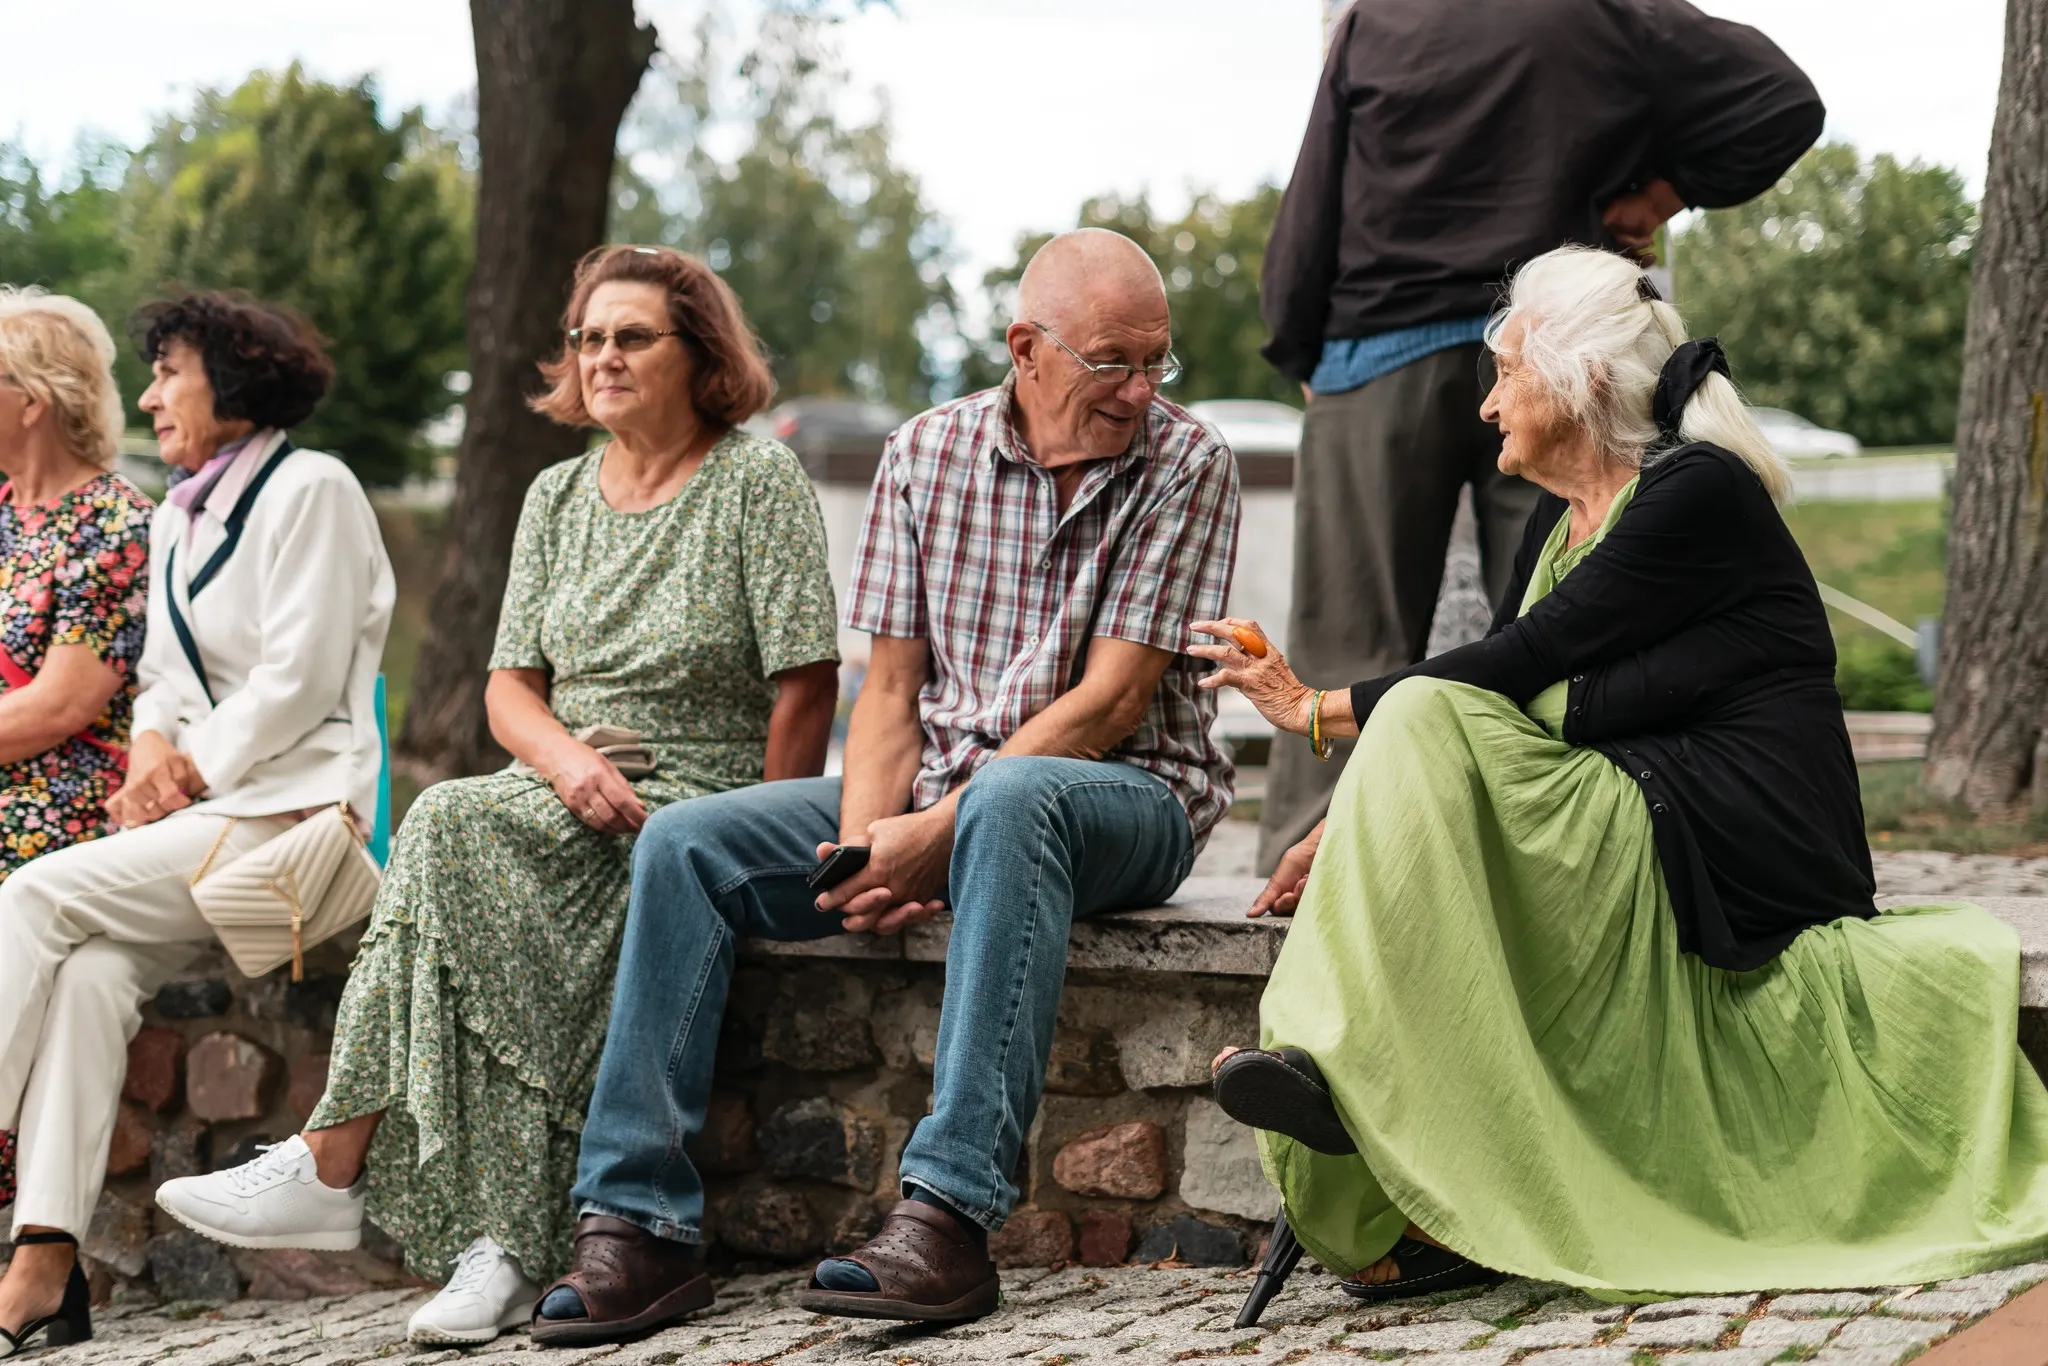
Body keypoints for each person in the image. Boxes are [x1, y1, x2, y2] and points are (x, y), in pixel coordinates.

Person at [1193, 245, 2048, 1301]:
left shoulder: (1695, 493)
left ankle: (1342, 1067)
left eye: (1504, 372)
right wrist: (1343, 827)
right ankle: (1338, 1075)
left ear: (1579, 381)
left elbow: (1517, 664)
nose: (1487, 405)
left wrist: (1306, 708)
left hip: (1732, 847)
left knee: (1420, 704)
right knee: (1427, 728)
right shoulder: (1557, 528)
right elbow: (1488, 711)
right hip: (1635, 818)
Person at [500, 228, 1238, 1343]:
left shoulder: (1188, 461)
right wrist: (863, 854)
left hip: (1125, 798)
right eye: (1111, 363)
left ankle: (946, 1215)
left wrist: (928, 834)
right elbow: (888, 692)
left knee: (1010, 800)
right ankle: (638, 1222)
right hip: (942, 788)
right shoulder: (922, 454)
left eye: (1155, 363)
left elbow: (1109, 703)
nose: (1140, 390)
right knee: (685, 845)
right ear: (1025, 348)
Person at [156, 245, 842, 1346]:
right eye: (587, 339)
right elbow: (508, 689)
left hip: (698, 797)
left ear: (698, 354)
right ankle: (492, 1243)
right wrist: (567, 760)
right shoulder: (555, 495)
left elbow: (805, 680)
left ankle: (373, 1182)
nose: (601, 357)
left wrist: (754, 828)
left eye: (630, 337)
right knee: (457, 841)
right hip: (572, 781)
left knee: (455, 843)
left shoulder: (754, 480)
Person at [1254, 0, 1826, 876]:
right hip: (1556, 357)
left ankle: (1305, 884)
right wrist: (1657, 193)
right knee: (1572, 633)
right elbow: (1780, 98)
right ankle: (1540, 873)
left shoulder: (1379, 20)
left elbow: (1315, 189)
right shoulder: (1604, 10)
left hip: (1386, 351)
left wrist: (1299, 338)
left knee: (1349, 634)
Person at [0, 291, 391, 1356]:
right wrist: (147, 762)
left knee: (33, 892)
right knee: (87, 977)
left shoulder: (314, 489)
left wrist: (184, 771)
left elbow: (299, 680)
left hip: (295, 822)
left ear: (234, 375)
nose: (147, 395)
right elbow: (162, 684)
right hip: (207, 830)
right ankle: (41, 1265)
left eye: (168, 370)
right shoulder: (176, 514)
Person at [0, 289, 154, 876]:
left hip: (62, 795)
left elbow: (57, 706)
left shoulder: (116, 522)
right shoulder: (8, 510)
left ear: (32, 401)